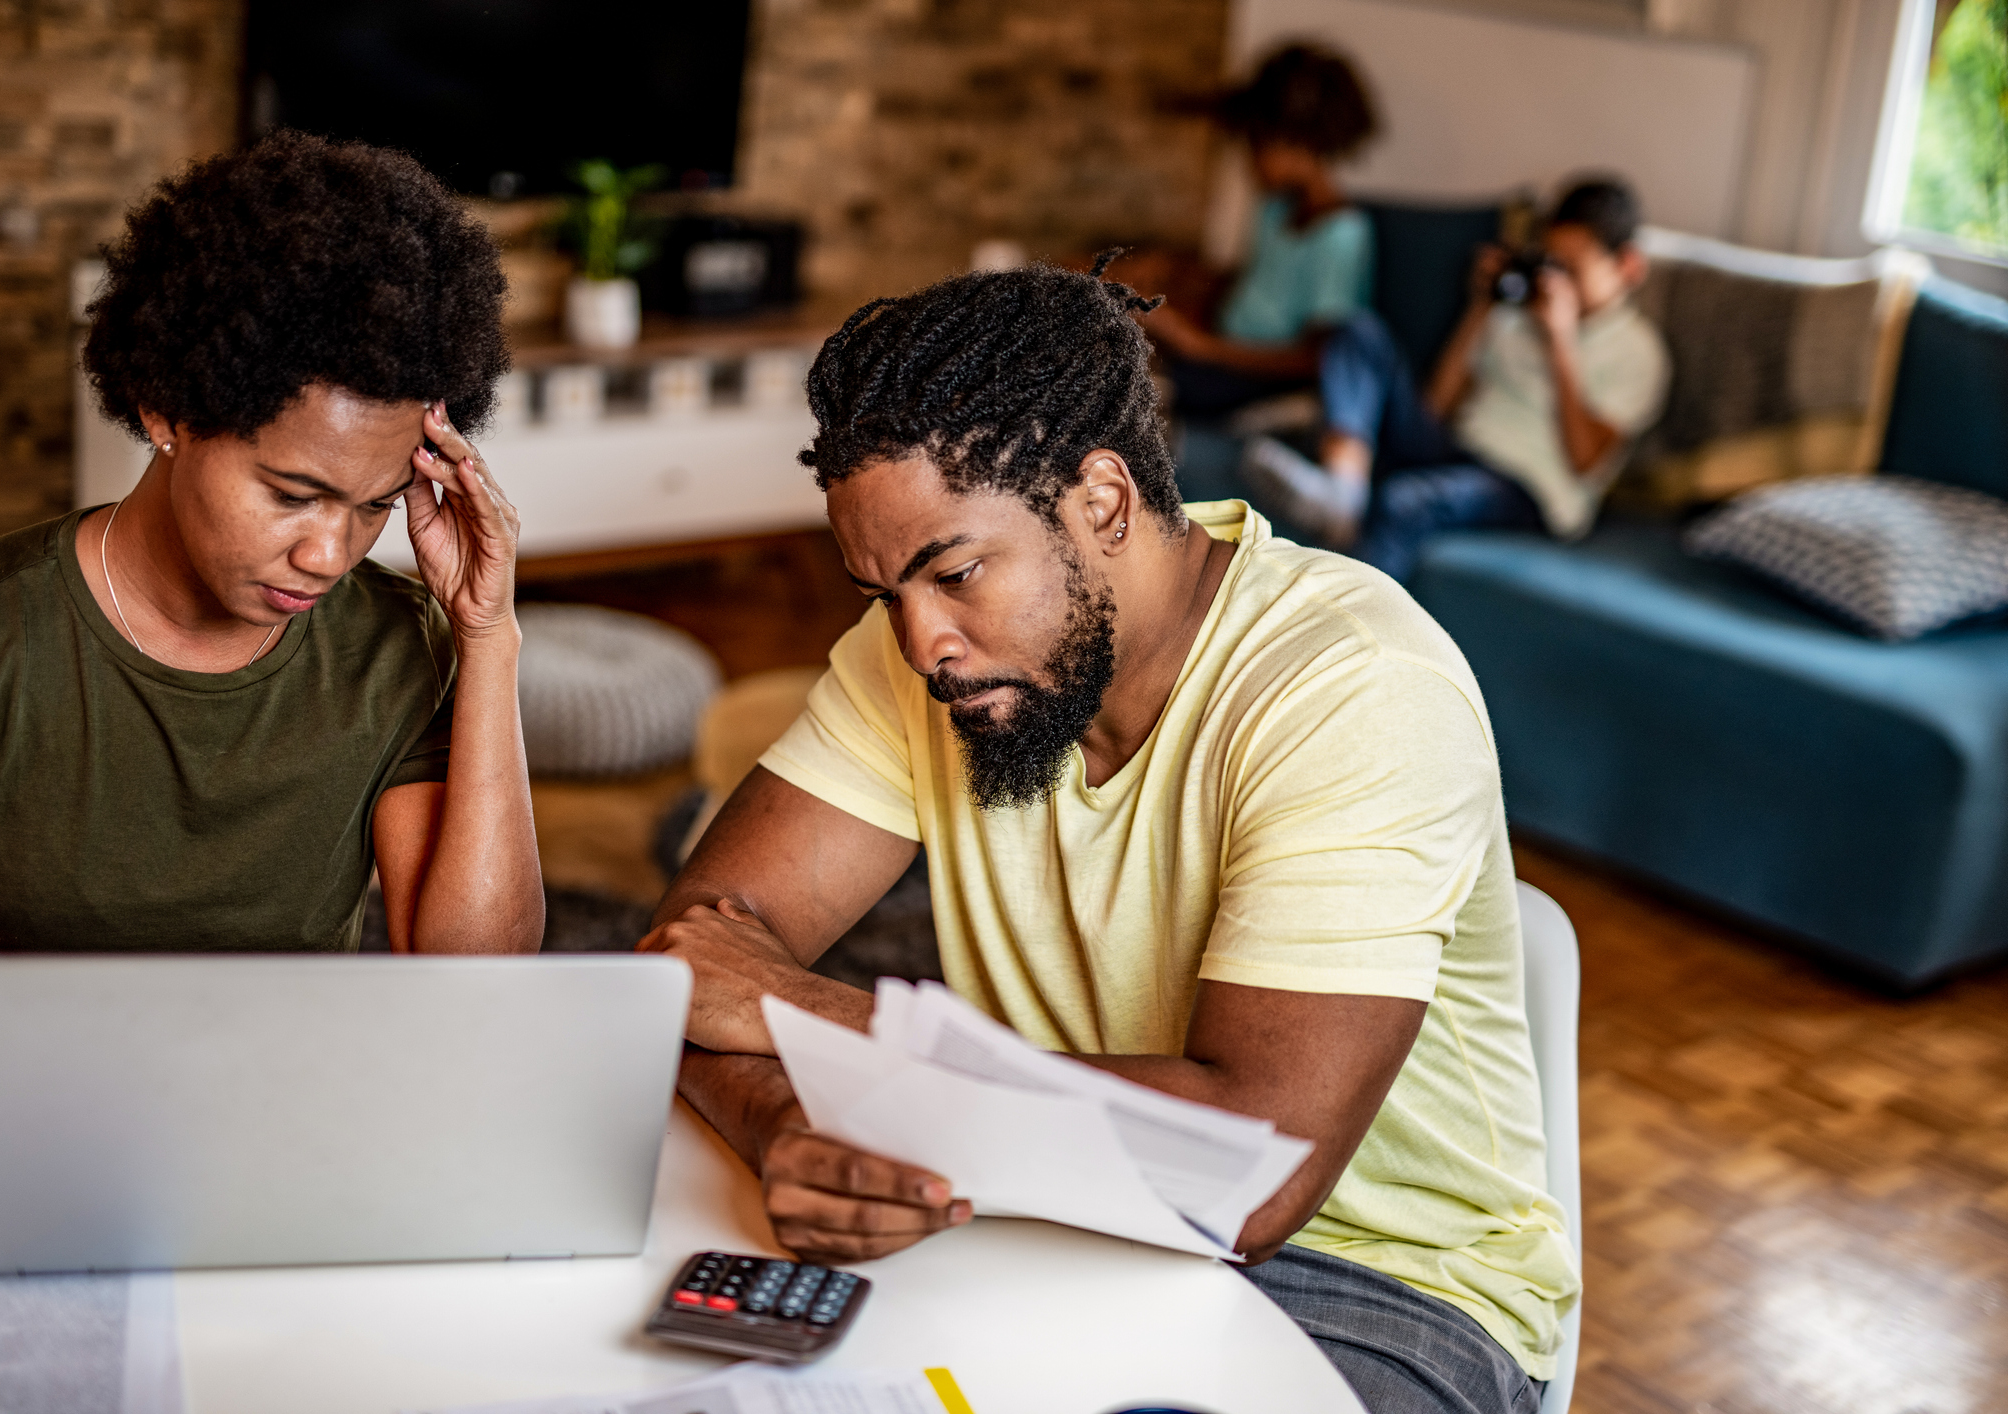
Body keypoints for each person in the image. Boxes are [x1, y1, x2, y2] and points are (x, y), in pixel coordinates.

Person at [637, 256, 1574, 1414]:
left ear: (1104, 501)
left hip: (1376, 1289)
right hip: (1050, 1222)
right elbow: (691, 961)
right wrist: (786, 1125)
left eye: (956, 571)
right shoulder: (937, 663)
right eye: (883, 594)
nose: (922, 639)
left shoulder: (1352, 685)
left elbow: (1251, 1176)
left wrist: (820, 1015)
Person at [0, 132, 546, 1104]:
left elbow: (472, 987)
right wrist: (108, 1058)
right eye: (291, 493)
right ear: (168, 410)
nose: (329, 555)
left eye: (373, 506)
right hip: (28, 1126)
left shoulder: (394, 643)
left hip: (281, 1123)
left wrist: (487, 636)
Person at [1243, 177, 1672, 582]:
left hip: (1530, 489)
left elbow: (1585, 463)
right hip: (1459, 450)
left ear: (1628, 266)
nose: (1557, 282)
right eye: (1552, 264)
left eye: (1573, 271)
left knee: (1406, 500)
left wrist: (1560, 342)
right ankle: (1341, 492)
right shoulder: (1519, 315)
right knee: (1357, 332)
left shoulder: (1639, 351)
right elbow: (1437, 405)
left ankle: (1343, 645)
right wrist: (1481, 308)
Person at [1129, 43, 1381, 418]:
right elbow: (1257, 286)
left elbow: (1314, 359)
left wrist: (1202, 346)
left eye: (1258, 146)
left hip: (1260, 378)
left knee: (1138, 392)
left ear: (1301, 144)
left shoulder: (1343, 234)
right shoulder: (1275, 209)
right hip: (1223, 348)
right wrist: (1173, 287)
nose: (1249, 162)